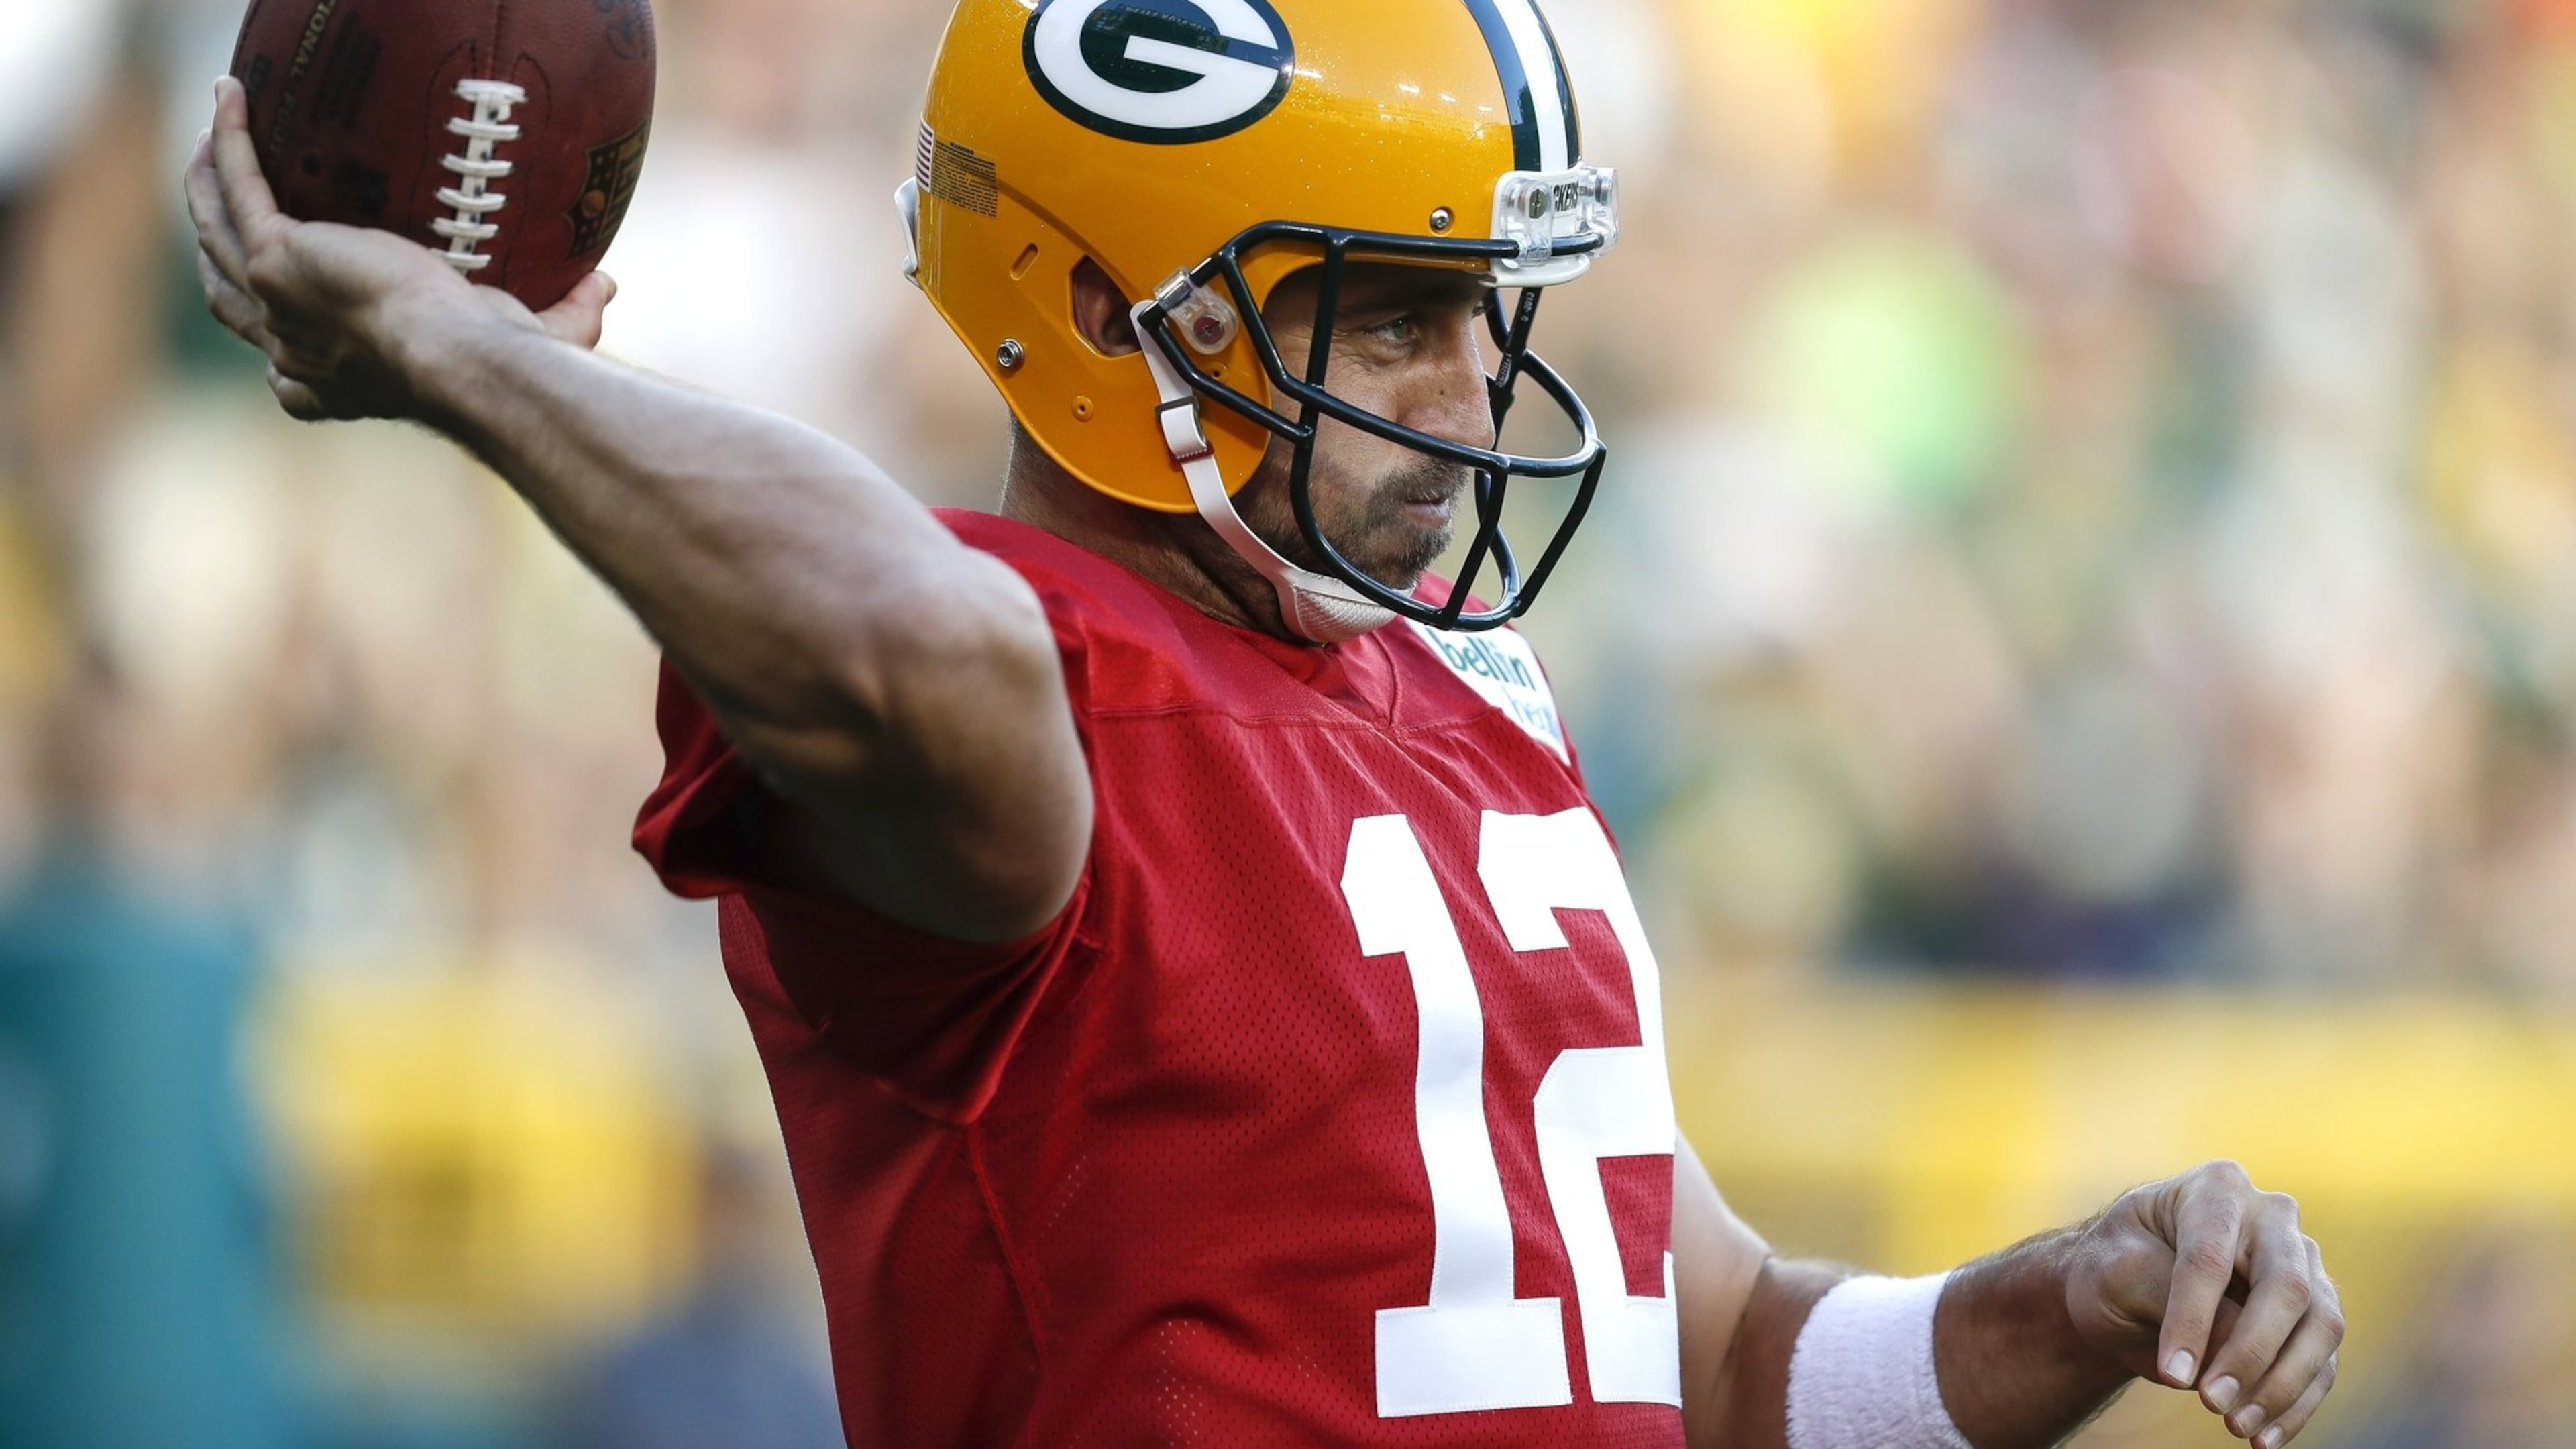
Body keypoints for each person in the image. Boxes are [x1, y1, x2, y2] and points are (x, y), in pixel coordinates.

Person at [184, 1, 2345, 1445]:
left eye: (1480, 315)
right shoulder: (1012, 696)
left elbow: (1710, 1350)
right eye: (1394, 316)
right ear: (1119, 314)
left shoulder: (1470, 694)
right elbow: (910, 638)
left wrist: (2064, 1304)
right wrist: (473, 359)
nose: (1472, 387)